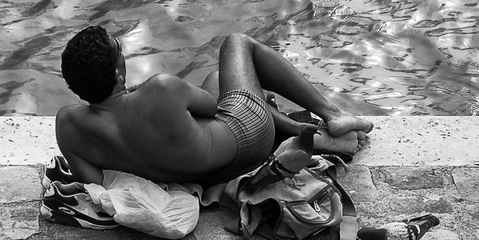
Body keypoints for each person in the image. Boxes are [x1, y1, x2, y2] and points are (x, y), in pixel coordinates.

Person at [54, 27, 374, 186]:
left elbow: (95, 184)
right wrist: (147, 95)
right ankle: (333, 116)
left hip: (202, 179)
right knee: (237, 44)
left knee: (219, 76)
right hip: (246, 140)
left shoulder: (69, 125)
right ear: (117, 72)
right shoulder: (160, 89)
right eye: (119, 50)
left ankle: (296, 130)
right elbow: (211, 107)